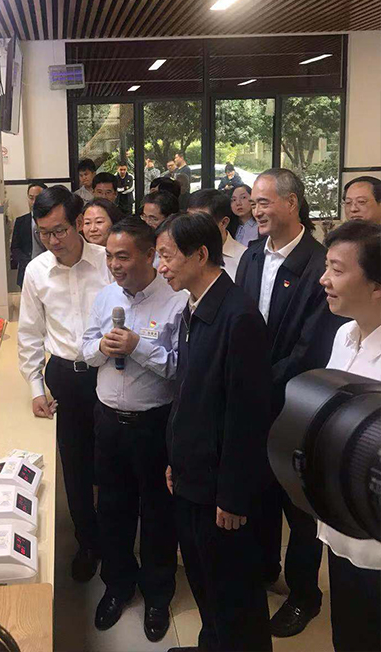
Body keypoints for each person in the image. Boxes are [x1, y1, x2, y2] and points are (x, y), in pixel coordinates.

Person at [236, 168, 347, 638]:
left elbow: (309, 349)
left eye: (264, 202)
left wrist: (257, 386)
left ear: (291, 203)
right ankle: (265, 570)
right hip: (255, 402)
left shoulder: (319, 265)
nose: (255, 210)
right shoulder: (251, 256)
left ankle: (305, 595)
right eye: (253, 202)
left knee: (299, 508)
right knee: (260, 495)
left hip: (297, 407)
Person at [157, 213, 272, 652]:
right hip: (192, 476)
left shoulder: (238, 317)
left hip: (221, 492)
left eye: (167, 256)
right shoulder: (194, 306)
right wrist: (175, 459)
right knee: (205, 584)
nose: (161, 267)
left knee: (233, 595)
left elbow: (248, 417)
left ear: (201, 254)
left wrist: (234, 496)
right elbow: (188, 395)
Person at [82, 217, 184, 642]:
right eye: (109, 256)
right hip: (108, 421)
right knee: (112, 508)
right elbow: (85, 348)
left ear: (150, 255)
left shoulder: (177, 300)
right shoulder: (105, 296)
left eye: (123, 257)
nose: (114, 265)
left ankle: (158, 593)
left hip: (154, 424)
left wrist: (137, 347)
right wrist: (99, 348)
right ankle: (118, 585)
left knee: (158, 512)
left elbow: (180, 368)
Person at [18, 186, 111, 582]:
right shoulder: (37, 271)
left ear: (79, 223)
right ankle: (88, 542)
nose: (52, 241)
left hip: (109, 373)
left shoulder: (107, 262)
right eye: (44, 233)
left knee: (111, 463)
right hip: (65, 376)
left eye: (59, 230)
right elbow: (29, 333)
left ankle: (117, 538)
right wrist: (36, 388)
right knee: (74, 467)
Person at [318, 220, 381, 652]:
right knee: (347, 630)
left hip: (375, 533)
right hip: (340, 517)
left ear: (376, 286)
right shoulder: (344, 334)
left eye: (337, 270)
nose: (324, 279)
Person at [188, 188, 245, 281]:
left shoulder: (244, 259)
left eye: (200, 221)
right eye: (188, 219)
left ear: (223, 223)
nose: (192, 226)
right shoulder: (183, 252)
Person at [10, 181, 47, 287]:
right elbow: (15, 248)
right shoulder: (21, 221)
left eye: (37, 198)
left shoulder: (53, 221)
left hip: (48, 268)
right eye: (31, 198)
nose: (34, 202)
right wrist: (27, 262)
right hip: (27, 270)